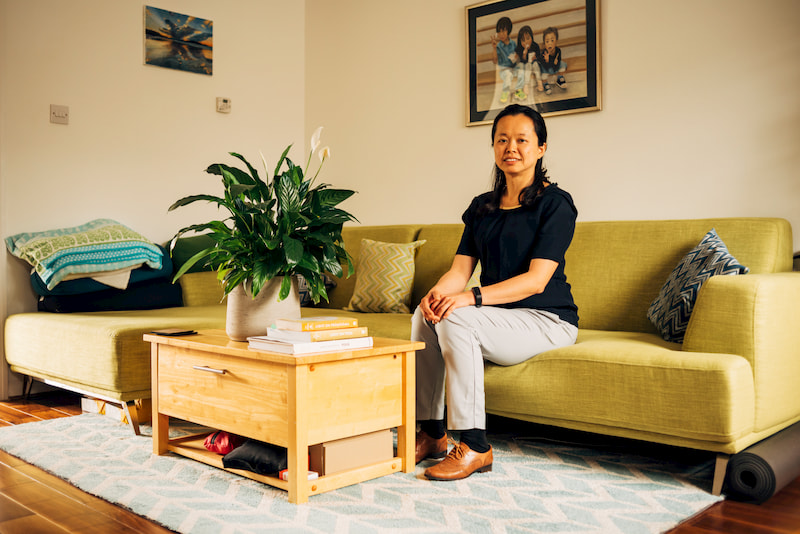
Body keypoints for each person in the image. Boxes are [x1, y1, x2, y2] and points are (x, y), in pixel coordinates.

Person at [412, 104, 579, 481]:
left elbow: (537, 280)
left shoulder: (556, 205)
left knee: (458, 316)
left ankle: (475, 445)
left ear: (541, 148)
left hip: (547, 319)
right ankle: (432, 434)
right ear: (493, 147)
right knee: (427, 314)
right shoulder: (482, 207)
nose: (511, 147)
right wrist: (435, 295)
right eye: (502, 139)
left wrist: (470, 297)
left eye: (522, 140)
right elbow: (460, 270)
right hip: (499, 317)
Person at [490, 17, 517, 104]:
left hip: (513, 68)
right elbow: (495, 61)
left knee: (522, 70)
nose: (501, 34)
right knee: (508, 75)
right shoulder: (499, 46)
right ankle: (505, 92)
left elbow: (517, 59)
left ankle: (518, 91)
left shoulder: (513, 44)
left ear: (508, 31)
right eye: (499, 31)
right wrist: (494, 48)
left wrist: (516, 58)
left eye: (503, 31)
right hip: (504, 71)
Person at [512, 25, 542, 101]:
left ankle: (539, 82)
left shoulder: (535, 46)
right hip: (526, 64)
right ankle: (525, 86)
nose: (526, 42)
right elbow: (522, 61)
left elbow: (539, 56)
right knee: (527, 68)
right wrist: (524, 54)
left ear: (532, 37)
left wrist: (536, 57)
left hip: (534, 63)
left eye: (528, 38)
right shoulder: (519, 48)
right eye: (523, 40)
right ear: (520, 41)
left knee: (536, 66)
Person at [539, 26, 568, 94]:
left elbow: (557, 63)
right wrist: (547, 60)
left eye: (552, 40)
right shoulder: (543, 53)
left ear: (556, 41)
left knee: (563, 64)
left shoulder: (558, 51)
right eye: (547, 41)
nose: (550, 43)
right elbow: (546, 67)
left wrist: (555, 65)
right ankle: (545, 84)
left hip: (554, 67)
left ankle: (560, 78)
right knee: (542, 73)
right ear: (544, 43)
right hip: (547, 68)